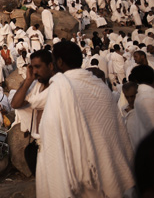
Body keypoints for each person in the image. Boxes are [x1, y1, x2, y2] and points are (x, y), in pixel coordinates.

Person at [36, 41, 134, 198]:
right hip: (108, 166)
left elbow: (49, 130)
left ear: (59, 62)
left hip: (81, 176)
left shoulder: (60, 87)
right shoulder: (100, 85)